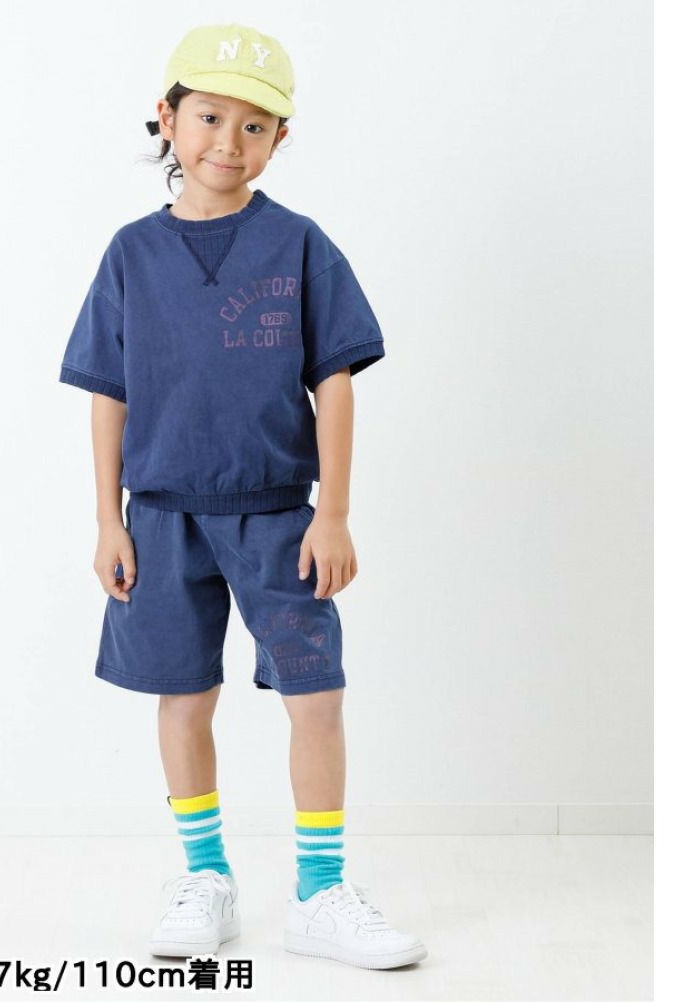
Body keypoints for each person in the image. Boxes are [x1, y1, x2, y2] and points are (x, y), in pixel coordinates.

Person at [58, 22, 428, 971]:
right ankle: (205, 879)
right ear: (167, 117)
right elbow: (109, 393)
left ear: (279, 139)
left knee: (316, 694)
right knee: (183, 697)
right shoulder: (132, 255)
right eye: (211, 117)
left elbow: (335, 382)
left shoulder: (298, 245)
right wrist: (107, 521)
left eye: (255, 126)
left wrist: (334, 513)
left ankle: (320, 891)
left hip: (276, 518)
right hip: (161, 517)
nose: (229, 141)